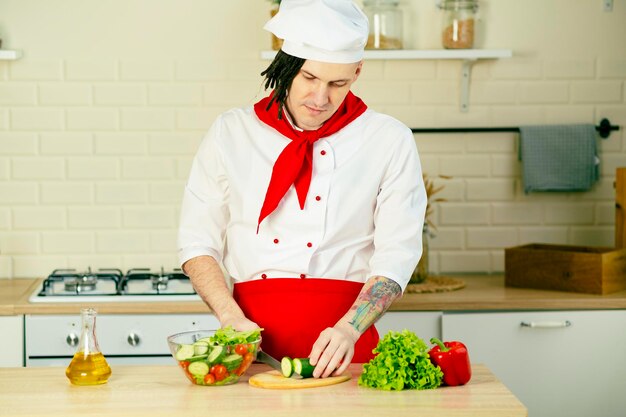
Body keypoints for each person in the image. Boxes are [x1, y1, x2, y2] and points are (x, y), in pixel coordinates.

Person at [178, 0, 426, 379]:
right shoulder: (231, 132)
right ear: (286, 64)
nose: (320, 98)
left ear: (358, 71)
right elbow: (197, 242)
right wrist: (229, 317)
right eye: (309, 78)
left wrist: (350, 328)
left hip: (348, 352)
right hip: (247, 349)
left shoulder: (388, 139)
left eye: (338, 83)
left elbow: (397, 254)